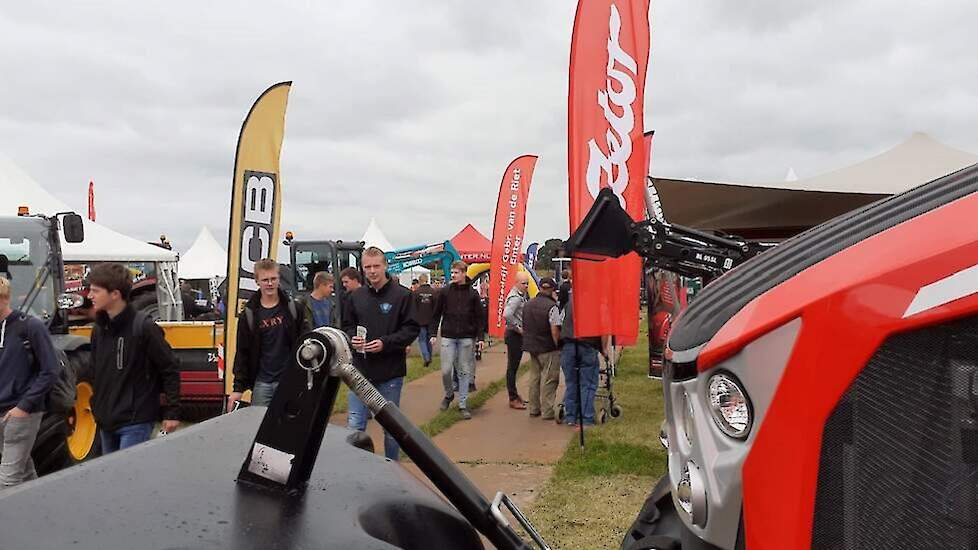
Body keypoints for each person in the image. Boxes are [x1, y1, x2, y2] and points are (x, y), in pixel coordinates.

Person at [88, 263, 181, 453]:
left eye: (95, 291)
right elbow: (96, 372)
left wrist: (172, 412)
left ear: (115, 294)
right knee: (111, 477)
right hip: (106, 420)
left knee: (129, 478)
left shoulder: (144, 327)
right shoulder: (99, 329)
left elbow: (169, 367)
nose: (90, 296)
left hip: (135, 421)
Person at [342, 247, 419, 460]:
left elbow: (411, 329)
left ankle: (391, 467)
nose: (373, 271)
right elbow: (347, 325)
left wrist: (386, 343)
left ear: (385, 265)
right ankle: (354, 470)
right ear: (363, 269)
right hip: (360, 372)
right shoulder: (355, 297)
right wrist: (351, 338)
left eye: (376, 266)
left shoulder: (403, 295)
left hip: (390, 373)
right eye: (368, 267)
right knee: (355, 426)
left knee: (391, 428)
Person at [228, 258, 311, 411]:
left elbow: (306, 342)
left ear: (279, 279)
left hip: (290, 380)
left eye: (273, 279)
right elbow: (242, 352)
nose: (270, 283)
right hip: (262, 383)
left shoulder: (294, 309)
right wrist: (238, 388)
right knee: (259, 428)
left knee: (290, 426)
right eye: (265, 280)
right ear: (257, 282)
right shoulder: (249, 315)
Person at [0, 276, 58, 487]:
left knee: (7, 480)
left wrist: (23, 407)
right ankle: (38, 509)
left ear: (5, 299)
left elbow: (50, 370)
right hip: (4, 410)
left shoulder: (30, 326)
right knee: (23, 472)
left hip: (22, 413)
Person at [429, 261, 485, 419]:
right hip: (448, 335)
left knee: (464, 370)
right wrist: (433, 333)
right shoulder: (445, 292)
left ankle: (463, 404)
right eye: (452, 272)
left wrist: (480, 337)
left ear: (464, 273)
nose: (453, 275)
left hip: (467, 337)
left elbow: (480, 317)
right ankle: (449, 394)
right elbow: (436, 313)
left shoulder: (473, 294)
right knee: (446, 370)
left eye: (456, 272)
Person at [557, 289, 606, 427]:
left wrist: (559, 344)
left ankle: (571, 416)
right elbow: (604, 329)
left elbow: (558, 323)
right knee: (588, 384)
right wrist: (604, 350)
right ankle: (586, 418)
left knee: (571, 382)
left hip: (568, 345)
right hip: (588, 346)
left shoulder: (569, 303)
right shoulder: (598, 304)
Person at [521, 277, 561, 420]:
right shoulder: (552, 307)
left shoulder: (528, 304)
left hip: (532, 347)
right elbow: (555, 329)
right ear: (552, 290)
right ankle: (547, 411)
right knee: (550, 379)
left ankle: (534, 408)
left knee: (534, 378)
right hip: (548, 347)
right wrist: (558, 345)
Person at [503, 271, 530, 410]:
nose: (526, 286)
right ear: (516, 283)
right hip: (514, 335)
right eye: (523, 283)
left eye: (527, 283)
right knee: (512, 367)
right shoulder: (516, 298)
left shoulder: (520, 295)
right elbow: (507, 314)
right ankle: (512, 397)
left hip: (514, 334)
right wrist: (518, 328)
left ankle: (514, 395)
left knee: (514, 367)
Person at [413, 273, 436, 367]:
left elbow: (413, 307)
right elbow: (436, 306)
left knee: (422, 340)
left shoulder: (416, 292)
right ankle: (429, 357)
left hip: (420, 320)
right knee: (429, 339)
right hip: (431, 319)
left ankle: (426, 358)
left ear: (419, 281)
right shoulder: (433, 292)